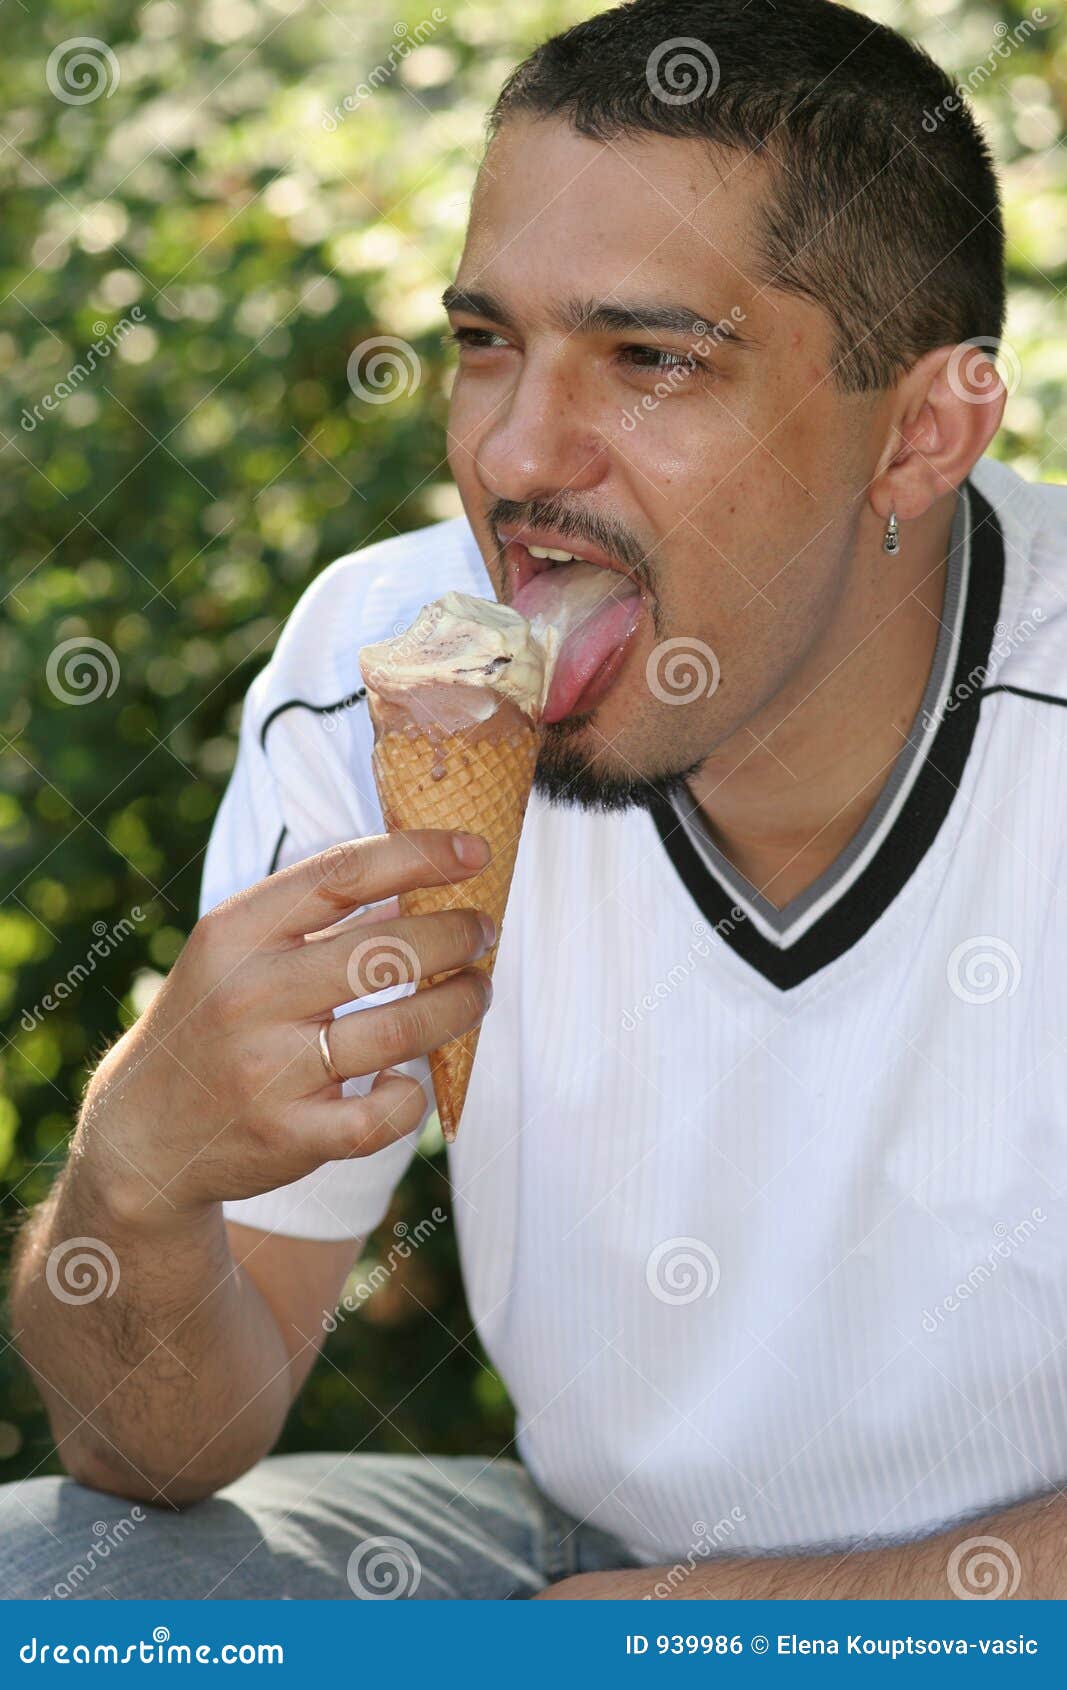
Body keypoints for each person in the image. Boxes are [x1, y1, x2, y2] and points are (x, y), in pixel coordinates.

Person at [4, 0, 1066, 1602]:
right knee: (55, 1582)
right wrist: (135, 1184)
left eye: (652, 360)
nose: (511, 456)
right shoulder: (380, 677)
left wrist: (717, 1632)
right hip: (582, 1569)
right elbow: (157, 1447)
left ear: (920, 433)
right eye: (486, 341)